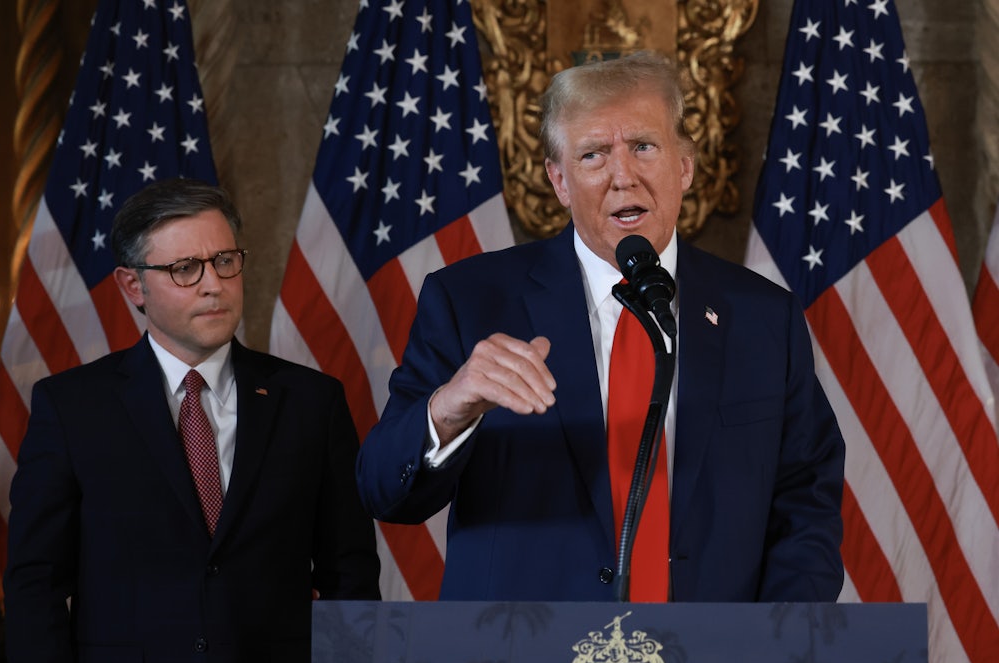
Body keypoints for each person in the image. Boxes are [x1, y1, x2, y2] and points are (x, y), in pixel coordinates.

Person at [356, 51, 845, 602]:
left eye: (643, 147)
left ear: (684, 165)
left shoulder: (764, 316)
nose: (622, 176)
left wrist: (773, 644)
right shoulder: (470, 301)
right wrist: (450, 407)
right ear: (560, 181)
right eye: (593, 155)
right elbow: (382, 492)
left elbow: (806, 503)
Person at [4, 178, 381, 663]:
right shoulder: (72, 407)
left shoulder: (312, 401)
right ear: (132, 285)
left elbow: (348, 574)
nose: (213, 285)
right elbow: (36, 585)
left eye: (225, 261)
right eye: (185, 269)